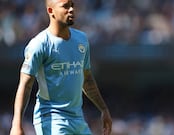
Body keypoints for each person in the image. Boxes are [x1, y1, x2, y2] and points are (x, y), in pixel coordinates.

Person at [10, 0, 112, 134]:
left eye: (72, 5)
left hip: (77, 119)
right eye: (65, 6)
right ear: (51, 11)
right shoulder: (39, 45)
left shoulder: (81, 39)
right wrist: (16, 124)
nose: (71, 10)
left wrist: (104, 109)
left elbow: (86, 80)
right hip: (51, 119)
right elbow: (25, 85)